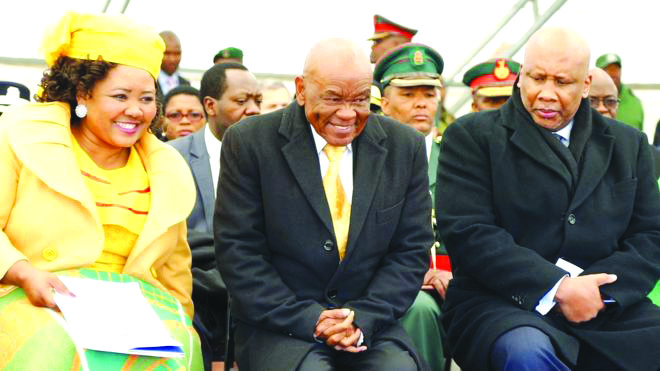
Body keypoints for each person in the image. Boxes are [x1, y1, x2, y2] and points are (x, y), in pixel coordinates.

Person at [437, 27, 660, 371]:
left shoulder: (628, 145)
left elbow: (650, 236)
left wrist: (596, 292)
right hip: (502, 305)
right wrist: (557, 288)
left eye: (561, 82)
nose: (546, 93)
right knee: (527, 353)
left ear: (586, 84)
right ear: (522, 74)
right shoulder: (472, 137)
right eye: (536, 78)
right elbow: (469, 232)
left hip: (608, 308)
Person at [215, 38, 433, 371]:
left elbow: (410, 252)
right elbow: (239, 253)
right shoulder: (250, 143)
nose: (348, 114)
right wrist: (311, 319)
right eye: (333, 98)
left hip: (371, 324)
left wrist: (363, 318)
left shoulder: (405, 148)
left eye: (360, 99)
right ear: (301, 90)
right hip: (280, 326)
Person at [0, 12, 201, 369]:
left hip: (135, 312)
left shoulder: (166, 167)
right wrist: (24, 273)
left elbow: (175, 271)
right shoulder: (20, 134)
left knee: (180, 351)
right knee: (56, 347)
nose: (135, 111)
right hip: (31, 295)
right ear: (83, 93)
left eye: (147, 99)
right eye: (120, 96)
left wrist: (180, 322)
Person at [169, 62, 261, 366]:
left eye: (257, 101)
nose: (253, 109)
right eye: (241, 101)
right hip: (196, 282)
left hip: (258, 284)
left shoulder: (274, 157)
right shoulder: (173, 156)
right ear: (210, 105)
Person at [374, 42, 447, 371]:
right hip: (399, 284)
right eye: (408, 94)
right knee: (419, 309)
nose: (421, 103)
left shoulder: (461, 157)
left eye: (429, 94)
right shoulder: (370, 159)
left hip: (460, 279)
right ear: (385, 103)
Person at [595, 53, 644, 130]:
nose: (612, 74)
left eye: (615, 69)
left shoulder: (635, 102)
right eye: (606, 70)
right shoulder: (585, 99)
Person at [158, 31, 190, 96]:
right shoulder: (148, 83)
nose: (172, 59)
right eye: (167, 53)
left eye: (177, 53)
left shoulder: (186, 85)